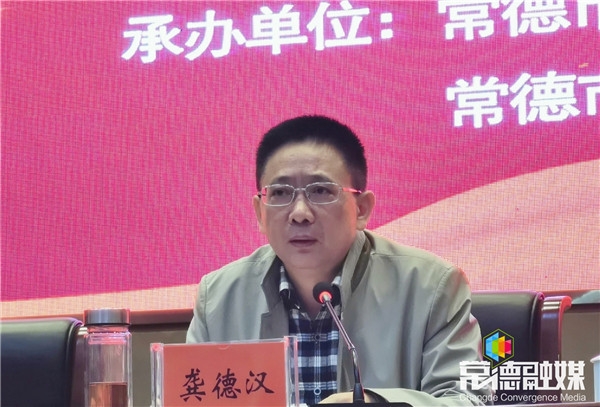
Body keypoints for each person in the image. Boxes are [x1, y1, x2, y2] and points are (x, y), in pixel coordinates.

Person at [186, 115, 493, 405]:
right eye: (280, 193)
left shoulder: (432, 287)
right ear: (259, 212)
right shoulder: (219, 298)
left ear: (361, 209)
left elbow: (471, 399)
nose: (300, 213)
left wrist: (379, 404)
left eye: (320, 191)